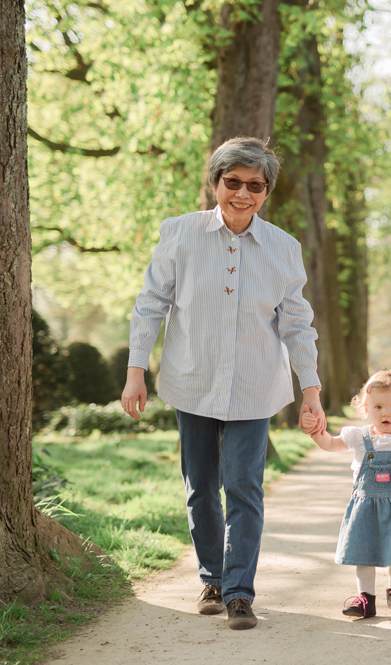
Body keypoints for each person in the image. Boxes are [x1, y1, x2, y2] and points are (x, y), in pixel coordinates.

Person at [120, 136, 326, 630]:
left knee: (244, 487)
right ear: (214, 183)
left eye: (254, 185)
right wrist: (136, 370)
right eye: (231, 182)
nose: (242, 193)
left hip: (255, 387)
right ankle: (211, 577)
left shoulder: (284, 248)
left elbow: (298, 325)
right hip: (193, 380)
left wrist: (311, 390)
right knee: (200, 487)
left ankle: (238, 592)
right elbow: (150, 304)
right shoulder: (179, 234)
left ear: (266, 192)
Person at [302, 370, 391, 619]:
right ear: (366, 407)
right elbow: (330, 444)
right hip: (365, 507)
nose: (386, 413)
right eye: (378, 406)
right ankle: (366, 598)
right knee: (363, 551)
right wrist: (316, 433)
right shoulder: (357, 436)